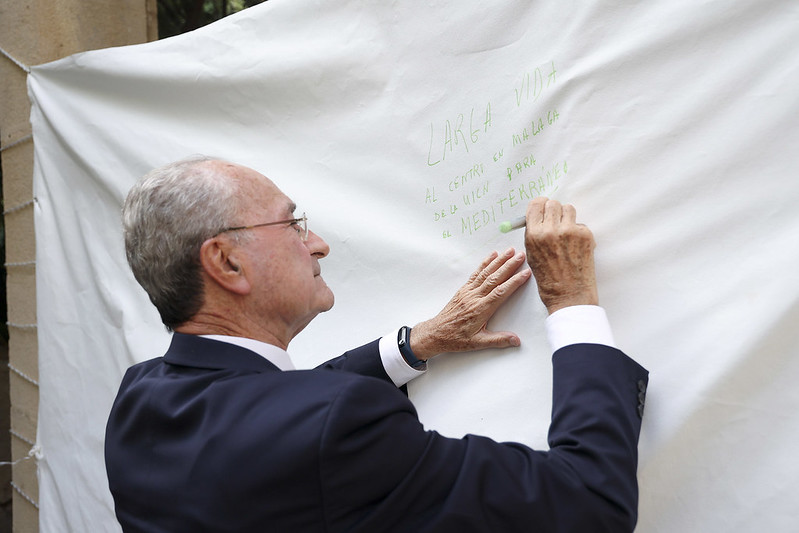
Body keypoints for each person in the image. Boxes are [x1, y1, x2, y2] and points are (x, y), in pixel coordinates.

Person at [105, 156, 648, 533]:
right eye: (293, 224)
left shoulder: (141, 400)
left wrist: (417, 344)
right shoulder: (335, 423)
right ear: (226, 261)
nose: (317, 244)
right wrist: (571, 301)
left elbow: (269, 412)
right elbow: (588, 502)